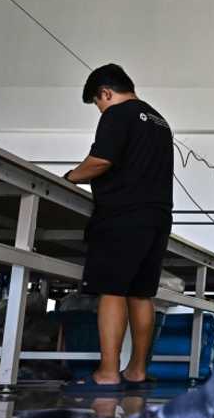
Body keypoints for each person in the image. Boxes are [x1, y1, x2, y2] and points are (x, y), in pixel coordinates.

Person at [62, 63, 174, 392]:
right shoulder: (159, 121)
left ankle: (108, 372)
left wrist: (69, 178)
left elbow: (100, 161)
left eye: (98, 103)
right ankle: (137, 371)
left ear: (106, 93)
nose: (101, 110)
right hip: (157, 215)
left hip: (123, 214)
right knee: (141, 294)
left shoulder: (117, 114)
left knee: (112, 290)